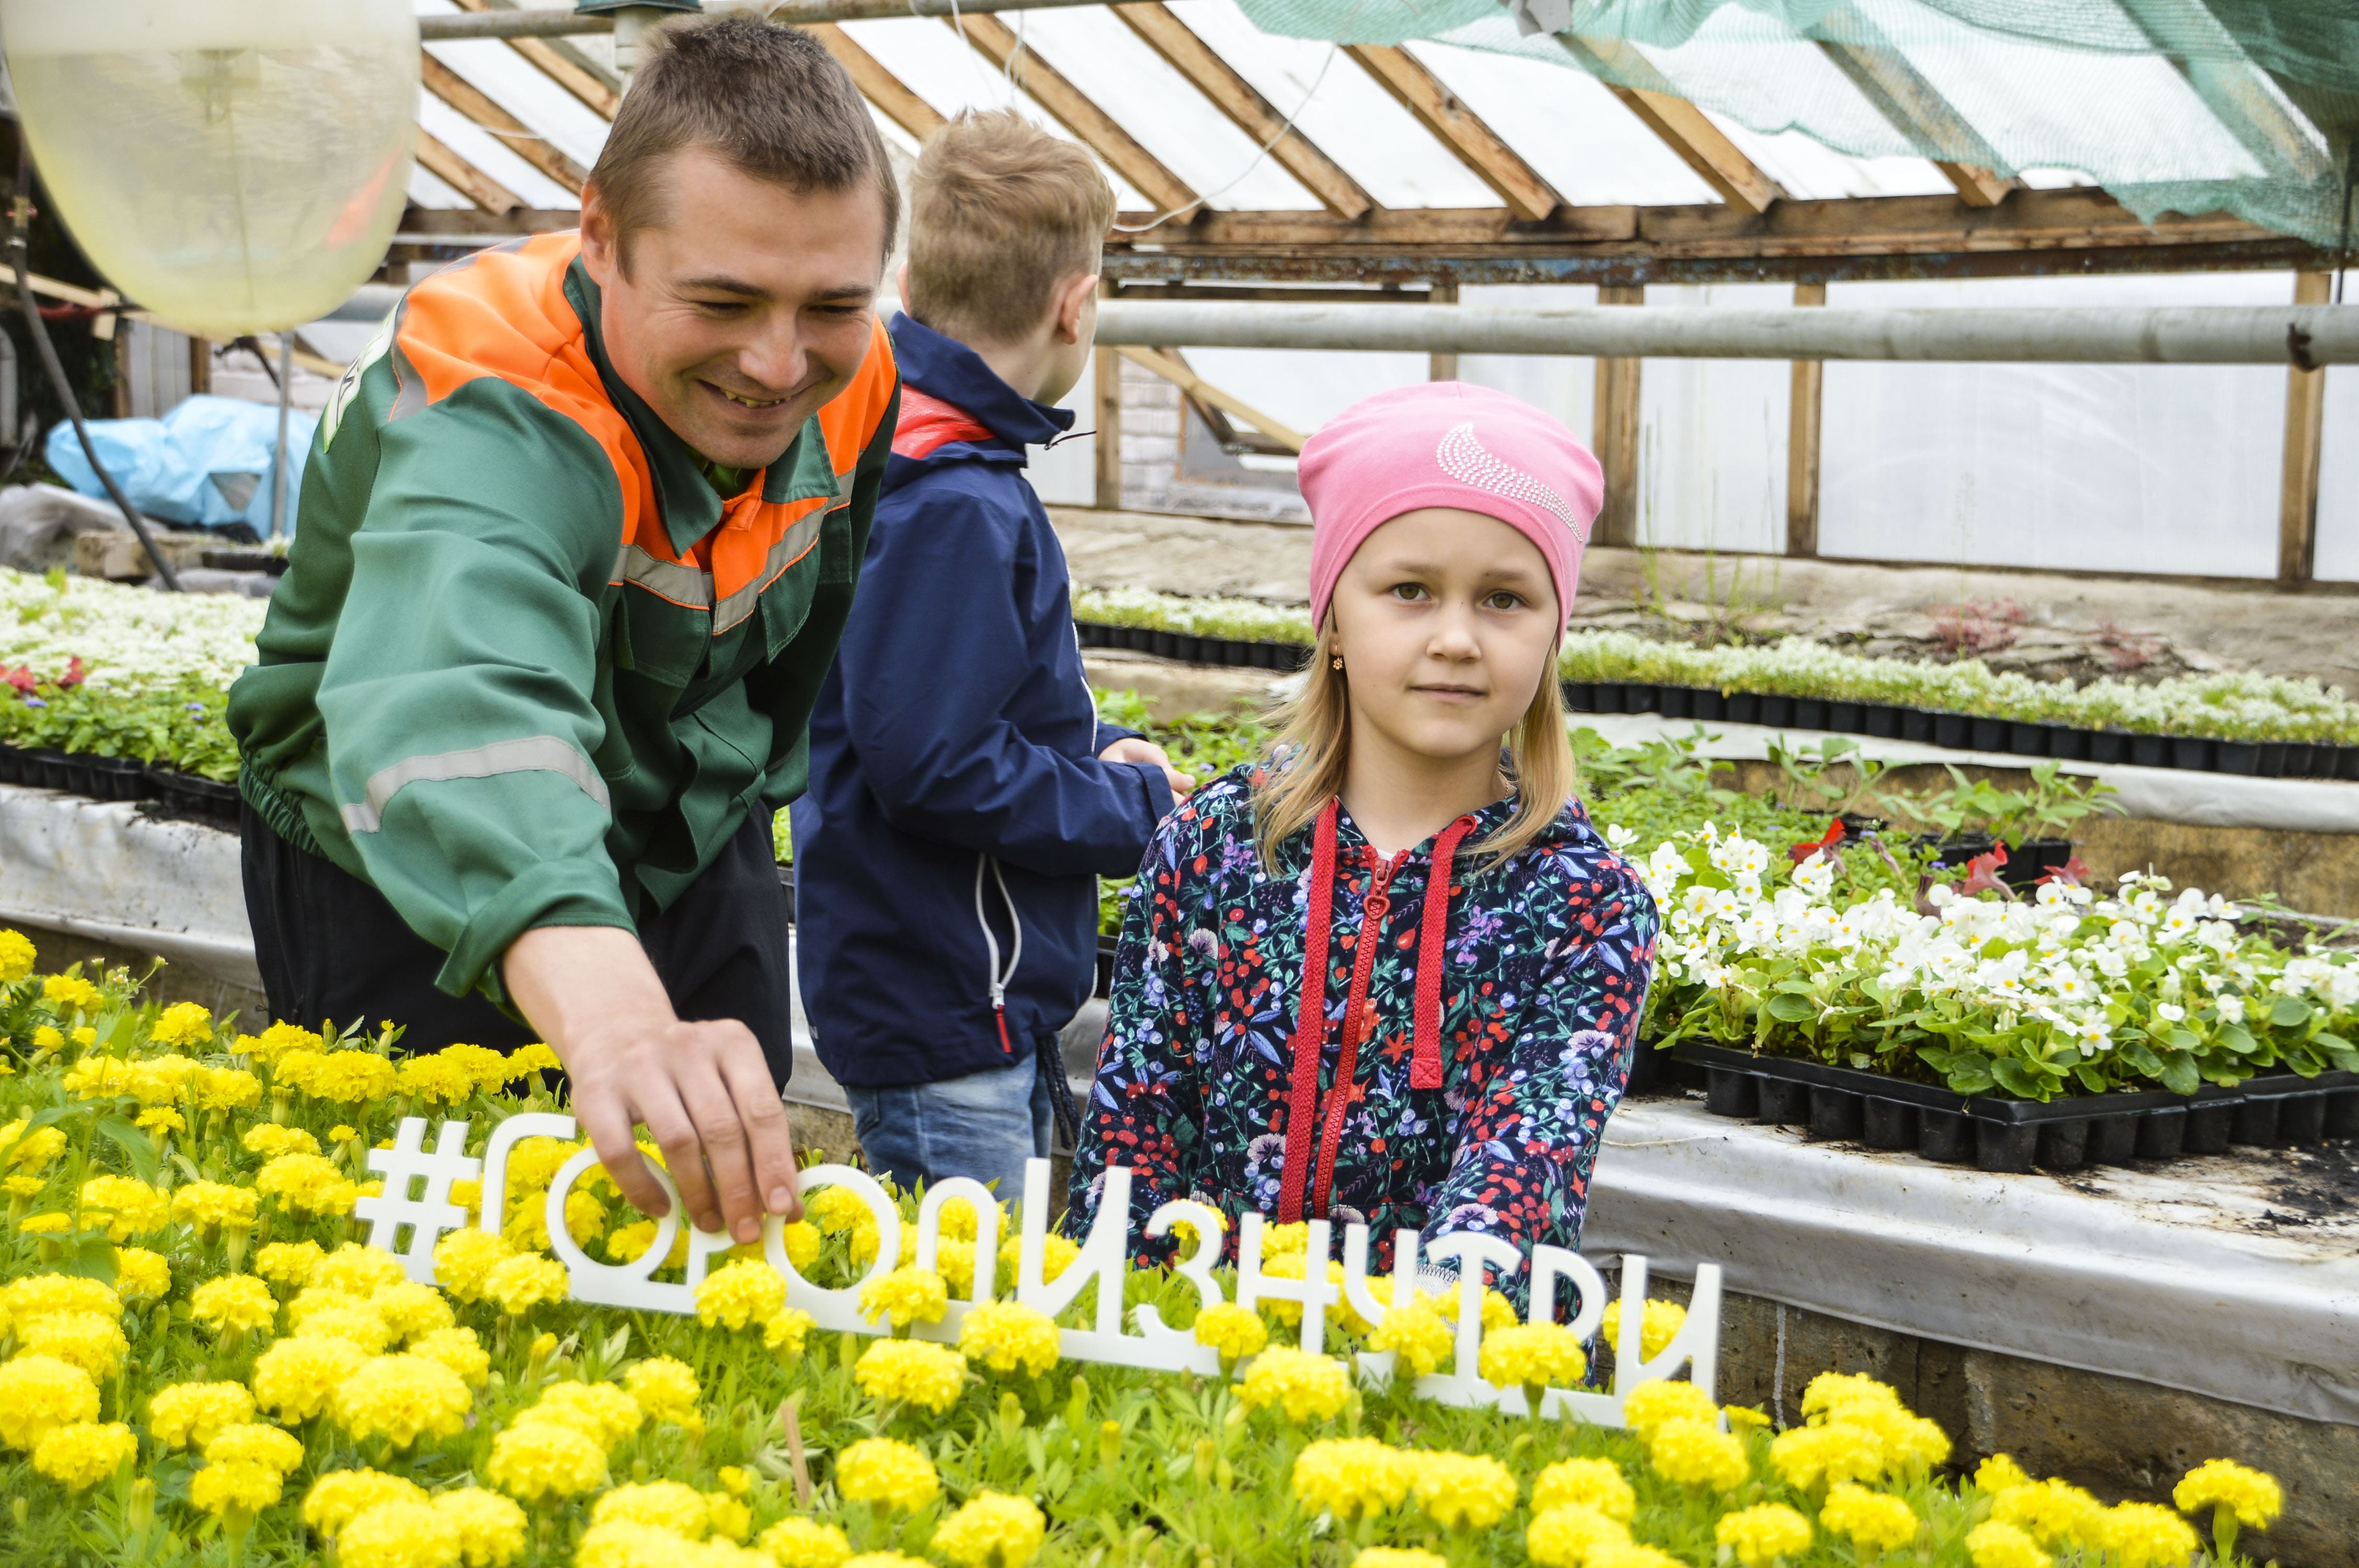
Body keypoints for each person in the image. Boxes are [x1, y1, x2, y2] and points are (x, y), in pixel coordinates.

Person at [227, 17, 903, 1248]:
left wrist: (731, 821)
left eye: (831, 305)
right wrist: (614, 1020)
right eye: (723, 299)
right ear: (600, 237)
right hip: (401, 852)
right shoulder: (495, 395)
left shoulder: (856, 373)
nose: (776, 360)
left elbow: (800, 643)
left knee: (723, 1225)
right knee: (454, 1247)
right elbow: (457, 702)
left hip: (687, 825)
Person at [1065, 382, 1658, 1281]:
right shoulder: (1215, 849)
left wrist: (1385, 1360)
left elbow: (1518, 1178)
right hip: (1204, 1374)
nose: (1458, 637)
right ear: (1335, 615)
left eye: (1505, 599)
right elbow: (1131, 1144)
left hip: (1448, 1388)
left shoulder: (1588, 909)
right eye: (1411, 590)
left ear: (1553, 634)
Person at [795, 111, 1192, 1201]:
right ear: (1077, 305)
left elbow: (940, 708)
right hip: (945, 1005)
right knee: (957, 1326)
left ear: (912, 280)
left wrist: (1101, 749)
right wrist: (1133, 817)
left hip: (952, 989)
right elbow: (935, 764)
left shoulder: (921, 456)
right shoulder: (957, 505)